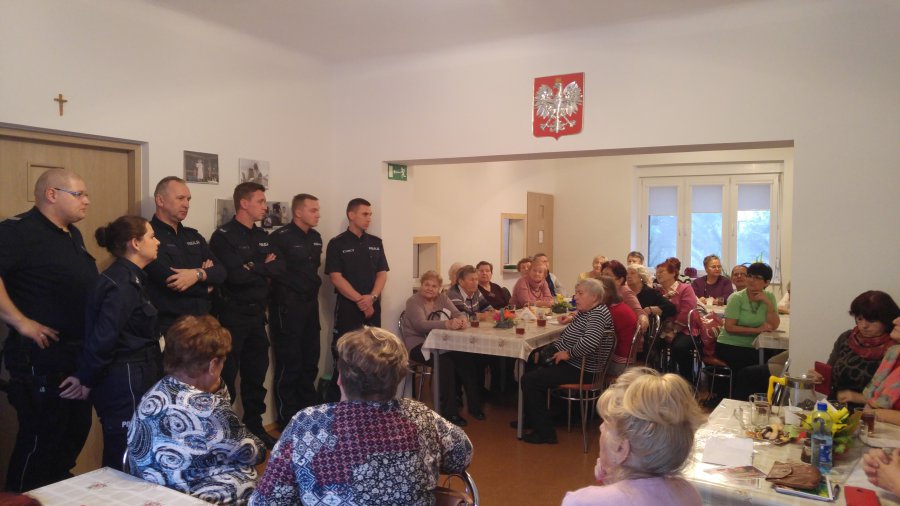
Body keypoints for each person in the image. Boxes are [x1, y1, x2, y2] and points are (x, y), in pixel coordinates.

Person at [250, 326, 473, 505]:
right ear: (398, 378)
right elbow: (462, 455)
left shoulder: (307, 422)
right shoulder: (421, 415)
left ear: (340, 378)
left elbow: (266, 500)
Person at [0, 169, 99, 491]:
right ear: (51, 194)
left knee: (72, 435)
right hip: (40, 356)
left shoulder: (71, 234)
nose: (87, 200)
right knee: (42, 438)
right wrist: (20, 321)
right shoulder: (18, 231)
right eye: (79, 194)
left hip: (75, 356)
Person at [127, 315, 266, 504]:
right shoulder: (208, 409)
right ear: (213, 365)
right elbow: (255, 452)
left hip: (151, 490)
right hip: (188, 497)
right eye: (222, 362)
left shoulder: (156, 392)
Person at [61, 215, 163, 470]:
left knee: (138, 446)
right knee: (125, 449)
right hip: (125, 376)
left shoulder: (133, 278)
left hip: (139, 371)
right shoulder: (120, 283)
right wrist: (87, 378)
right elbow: (104, 338)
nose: (157, 242)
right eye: (152, 236)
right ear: (135, 243)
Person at [561, 368, 705, 506]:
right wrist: (612, 479)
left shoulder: (582, 502)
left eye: (606, 423)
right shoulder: (688, 492)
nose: (600, 427)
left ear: (621, 449)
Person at [209, 182, 278, 448]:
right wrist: (263, 267)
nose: (265, 206)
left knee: (256, 374)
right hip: (232, 316)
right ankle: (225, 433)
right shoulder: (223, 236)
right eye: (260, 201)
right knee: (226, 376)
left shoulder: (262, 235)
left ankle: (255, 426)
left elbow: (279, 268)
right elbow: (234, 277)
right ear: (244, 203)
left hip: (257, 315)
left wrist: (253, 267)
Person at [520, 278, 615, 444]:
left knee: (530, 380)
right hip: (577, 364)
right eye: (576, 293)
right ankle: (532, 419)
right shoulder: (590, 311)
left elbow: (590, 341)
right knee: (530, 363)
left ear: (594, 297)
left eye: (580, 293)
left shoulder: (598, 314)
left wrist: (568, 354)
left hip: (583, 369)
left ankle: (545, 433)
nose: (575, 297)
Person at [324, 197, 389, 402]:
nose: (369, 218)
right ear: (351, 215)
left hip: (372, 307)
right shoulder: (337, 243)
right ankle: (341, 405)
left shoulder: (375, 243)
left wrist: (372, 298)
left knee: (374, 356)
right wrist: (361, 300)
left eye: (370, 214)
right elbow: (336, 277)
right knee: (346, 357)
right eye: (365, 214)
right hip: (348, 309)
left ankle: (372, 404)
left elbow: (382, 273)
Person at [268, 193, 323, 427]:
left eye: (318, 210)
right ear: (298, 212)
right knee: (290, 364)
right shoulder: (280, 238)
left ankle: (308, 416)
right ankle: (287, 420)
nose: (318, 214)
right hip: (288, 308)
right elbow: (276, 273)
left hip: (310, 307)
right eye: (313, 210)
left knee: (310, 362)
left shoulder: (316, 238)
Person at [145, 176, 225, 336]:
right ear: (160, 200)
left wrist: (197, 274)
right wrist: (207, 287)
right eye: (180, 198)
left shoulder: (193, 236)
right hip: (170, 325)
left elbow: (221, 272)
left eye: (188, 199)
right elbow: (172, 281)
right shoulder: (148, 237)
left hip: (203, 322)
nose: (186, 204)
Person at [401, 271, 482, 426]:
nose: (430, 288)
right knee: (445, 363)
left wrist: (462, 320)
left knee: (466, 358)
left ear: (439, 288)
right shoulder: (413, 301)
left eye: (434, 286)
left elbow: (457, 313)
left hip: (442, 343)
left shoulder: (442, 298)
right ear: (421, 285)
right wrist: (446, 324)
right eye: (427, 285)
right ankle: (449, 412)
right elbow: (421, 325)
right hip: (419, 345)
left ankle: (474, 406)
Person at [806, 291, 899, 408]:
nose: (864, 326)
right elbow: (831, 375)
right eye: (859, 319)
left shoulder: (894, 349)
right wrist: (818, 378)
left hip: (869, 413)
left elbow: (891, 399)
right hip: (834, 408)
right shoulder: (847, 338)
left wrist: (857, 397)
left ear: (887, 320)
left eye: (871, 320)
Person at [715, 262, 780, 379]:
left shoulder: (769, 297)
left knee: (777, 359)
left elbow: (773, 325)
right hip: (731, 344)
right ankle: (741, 390)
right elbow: (729, 327)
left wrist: (768, 303)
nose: (751, 280)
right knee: (759, 368)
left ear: (766, 282)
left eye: (757, 278)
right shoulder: (737, 298)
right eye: (749, 276)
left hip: (756, 345)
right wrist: (757, 330)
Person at [655, 258, 698, 383]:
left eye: (661, 272)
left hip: (685, 329)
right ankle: (657, 380)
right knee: (650, 345)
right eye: (657, 272)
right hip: (663, 329)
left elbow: (687, 311)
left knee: (679, 347)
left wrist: (673, 331)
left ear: (673, 273)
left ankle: (688, 382)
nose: (658, 274)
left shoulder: (685, 288)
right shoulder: (658, 291)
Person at [598, 277, 638, 377]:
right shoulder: (619, 306)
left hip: (619, 363)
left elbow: (598, 338)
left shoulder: (611, 312)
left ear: (605, 292)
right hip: (627, 357)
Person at [598, 260, 648, 331]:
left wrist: (643, 318)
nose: (603, 278)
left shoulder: (625, 292)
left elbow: (639, 312)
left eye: (607, 275)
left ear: (620, 280)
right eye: (602, 274)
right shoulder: (604, 291)